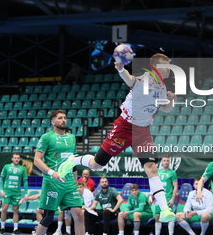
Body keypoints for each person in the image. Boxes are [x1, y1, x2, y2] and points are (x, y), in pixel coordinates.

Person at [59, 53, 177, 222]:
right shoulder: (146, 79)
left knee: (151, 168)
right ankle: (73, 160)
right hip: (124, 127)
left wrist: (172, 100)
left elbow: (166, 109)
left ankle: (165, 209)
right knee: (97, 164)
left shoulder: (162, 86)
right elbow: (130, 80)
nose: (169, 69)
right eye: (167, 66)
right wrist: (121, 69)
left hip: (142, 131)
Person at [33, 110, 84, 235]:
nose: (63, 120)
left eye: (65, 117)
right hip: (53, 182)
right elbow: (36, 160)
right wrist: (52, 173)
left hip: (69, 183)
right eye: (60, 118)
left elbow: (73, 162)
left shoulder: (72, 138)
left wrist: (76, 183)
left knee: (79, 215)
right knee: (48, 217)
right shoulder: (47, 137)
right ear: (53, 121)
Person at [0, 153, 29, 235]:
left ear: (19, 159)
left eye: (18, 158)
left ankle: (15, 229)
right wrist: (1, 190)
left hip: (16, 192)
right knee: (4, 208)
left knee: (15, 210)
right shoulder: (6, 167)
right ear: (12, 159)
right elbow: (1, 179)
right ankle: (2, 227)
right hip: (7, 191)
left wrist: (26, 193)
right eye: (15, 158)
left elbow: (25, 181)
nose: (16, 159)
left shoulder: (22, 168)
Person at [153, 155, 178, 235]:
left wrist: (172, 198)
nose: (166, 162)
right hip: (158, 197)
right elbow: (154, 185)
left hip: (168, 197)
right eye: (164, 160)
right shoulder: (158, 172)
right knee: (157, 216)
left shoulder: (172, 173)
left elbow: (176, 186)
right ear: (161, 162)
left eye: (167, 161)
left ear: (169, 162)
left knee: (169, 216)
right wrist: (152, 196)